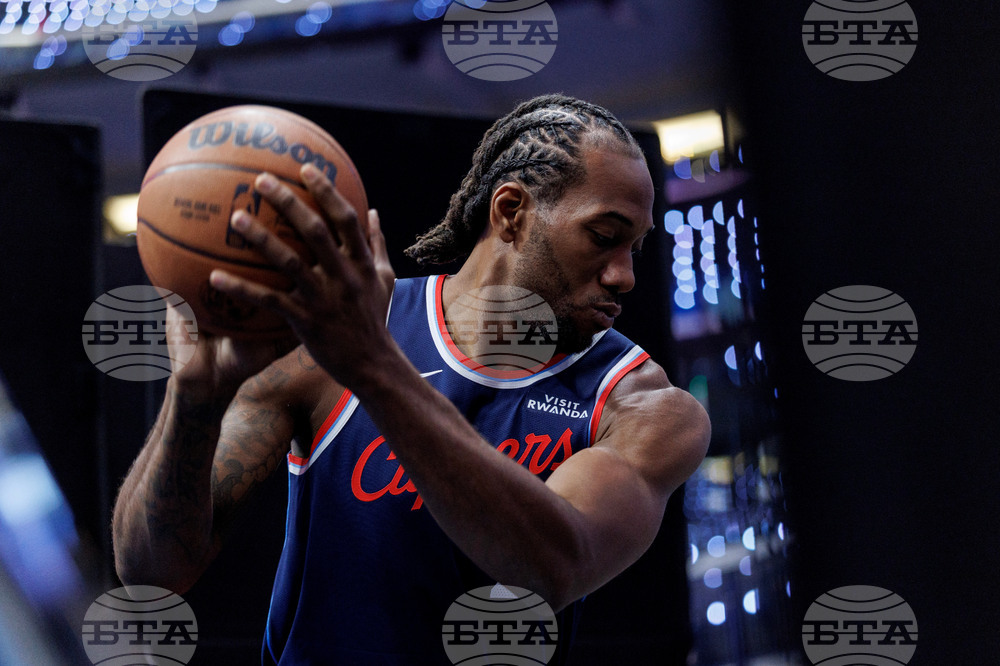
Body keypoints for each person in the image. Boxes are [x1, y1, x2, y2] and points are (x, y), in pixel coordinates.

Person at [112, 94, 711, 665]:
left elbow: (554, 566)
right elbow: (153, 571)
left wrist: (374, 368)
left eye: (635, 247)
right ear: (510, 212)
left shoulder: (643, 407)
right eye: (605, 238)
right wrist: (189, 399)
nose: (625, 276)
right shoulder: (331, 339)